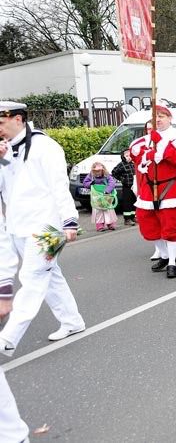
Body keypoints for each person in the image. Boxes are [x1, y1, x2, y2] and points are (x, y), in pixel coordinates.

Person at [0, 101, 85, 357]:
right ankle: (72, 321)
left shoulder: (46, 146)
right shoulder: (5, 150)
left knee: (33, 279)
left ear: (18, 119)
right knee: (51, 276)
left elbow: (59, 185)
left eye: (1, 123)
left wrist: (70, 221)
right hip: (18, 226)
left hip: (49, 228)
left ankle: (7, 338)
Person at [130, 105, 176, 279]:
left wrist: (159, 146)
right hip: (149, 188)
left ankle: (172, 261)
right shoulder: (147, 138)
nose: (158, 120)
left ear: (170, 119)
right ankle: (164, 255)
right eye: (155, 117)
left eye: (162, 116)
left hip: (170, 188)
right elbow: (135, 152)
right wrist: (152, 149)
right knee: (146, 221)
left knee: (170, 225)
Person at [0, 207, 29, 443]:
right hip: (20, 227)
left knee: (36, 278)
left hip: (43, 228)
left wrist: (4, 289)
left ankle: (13, 436)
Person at [83, 161, 118, 231]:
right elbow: (85, 183)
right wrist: (90, 183)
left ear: (103, 170)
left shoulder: (107, 175)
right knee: (98, 210)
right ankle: (100, 226)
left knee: (108, 209)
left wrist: (107, 191)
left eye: (99, 171)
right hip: (96, 196)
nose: (97, 172)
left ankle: (110, 224)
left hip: (106, 195)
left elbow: (112, 183)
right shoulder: (91, 175)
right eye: (95, 171)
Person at [111, 149, 137, 226]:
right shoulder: (121, 165)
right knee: (127, 202)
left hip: (134, 186)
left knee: (134, 201)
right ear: (123, 157)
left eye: (130, 156)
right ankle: (127, 219)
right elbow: (114, 172)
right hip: (127, 186)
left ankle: (133, 217)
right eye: (127, 156)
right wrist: (122, 179)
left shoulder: (133, 164)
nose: (129, 157)